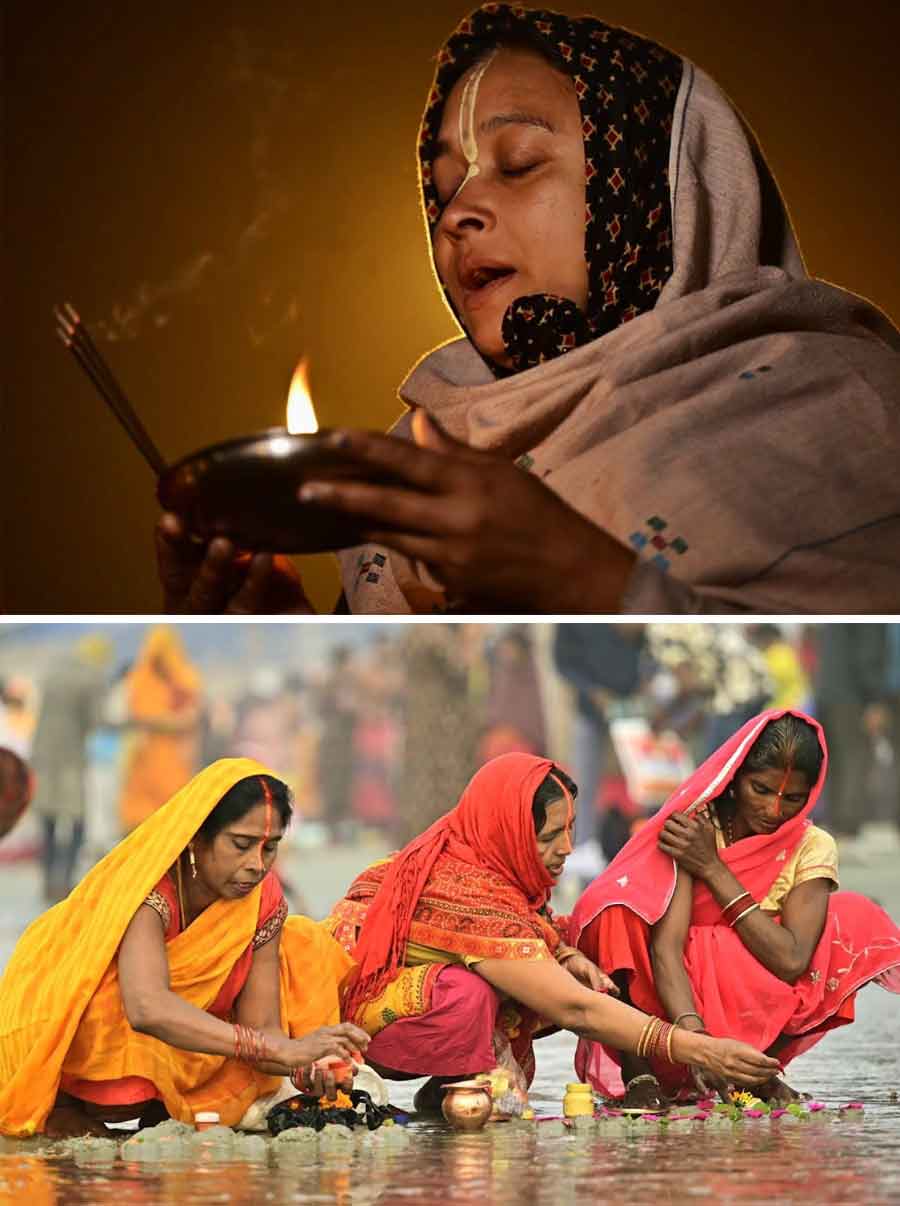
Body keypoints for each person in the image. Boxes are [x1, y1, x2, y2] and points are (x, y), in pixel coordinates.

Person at [156, 3, 900, 615]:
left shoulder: (850, 405)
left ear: (652, 192)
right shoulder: (423, 461)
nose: (458, 214)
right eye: (444, 190)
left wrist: (584, 580)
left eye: (518, 165)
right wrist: (290, 640)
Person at [325, 752, 779, 1111]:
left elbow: (537, 932)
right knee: (468, 993)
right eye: (547, 838)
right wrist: (700, 1050)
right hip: (350, 1023)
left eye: (570, 831)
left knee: (583, 940)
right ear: (509, 832)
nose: (565, 850)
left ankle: (450, 1084)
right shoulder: (469, 888)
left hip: (401, 993)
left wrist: (566, 953)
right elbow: (573, 1008)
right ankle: (459, 1083)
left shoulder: (484, 853)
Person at [0, 758, 368, 1138]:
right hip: (68, 1028)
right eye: (240, 845)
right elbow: (147, 1007)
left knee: (303, 941)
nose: (256, 865)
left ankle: (167, 1106)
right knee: (110, 1001)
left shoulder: (262, 898)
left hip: (181, 1041)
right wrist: (281, 1051)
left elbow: (262, 1027)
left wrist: (308, 1064)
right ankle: (62, 1106)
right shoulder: (149, 884)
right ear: (198, 837)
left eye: (270, 848)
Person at [570, 711, 900, 1110]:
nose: (774, 810)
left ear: (811, 794)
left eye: (793, 798)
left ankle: (758, 1072)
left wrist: (712, 867)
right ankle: (639, 1074)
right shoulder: (696, 824)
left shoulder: (812, 845)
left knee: (854, 917)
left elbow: (791, 958)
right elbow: (665, 949)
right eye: (760, 789)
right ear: (737, 775)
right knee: (615, 914)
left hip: (758, 984)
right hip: (670, 1003)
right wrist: (697, 1042)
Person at [29, 635, 111, 901]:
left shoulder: (55, 671)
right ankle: (64, 882)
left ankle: (48, 881)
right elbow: (98, 720)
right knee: (77, 821)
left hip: (42, 755)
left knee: (49, 820)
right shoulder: (92, 677)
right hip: (70, 758)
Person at [119, 626, 202, 832]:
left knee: (173, 817)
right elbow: (139, 716)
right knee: (141, 821)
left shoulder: (184, 678)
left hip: (175, 758)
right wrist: (169, 722)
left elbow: (191, 718)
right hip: (145, 755)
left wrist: (163, 722)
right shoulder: (140, 678)